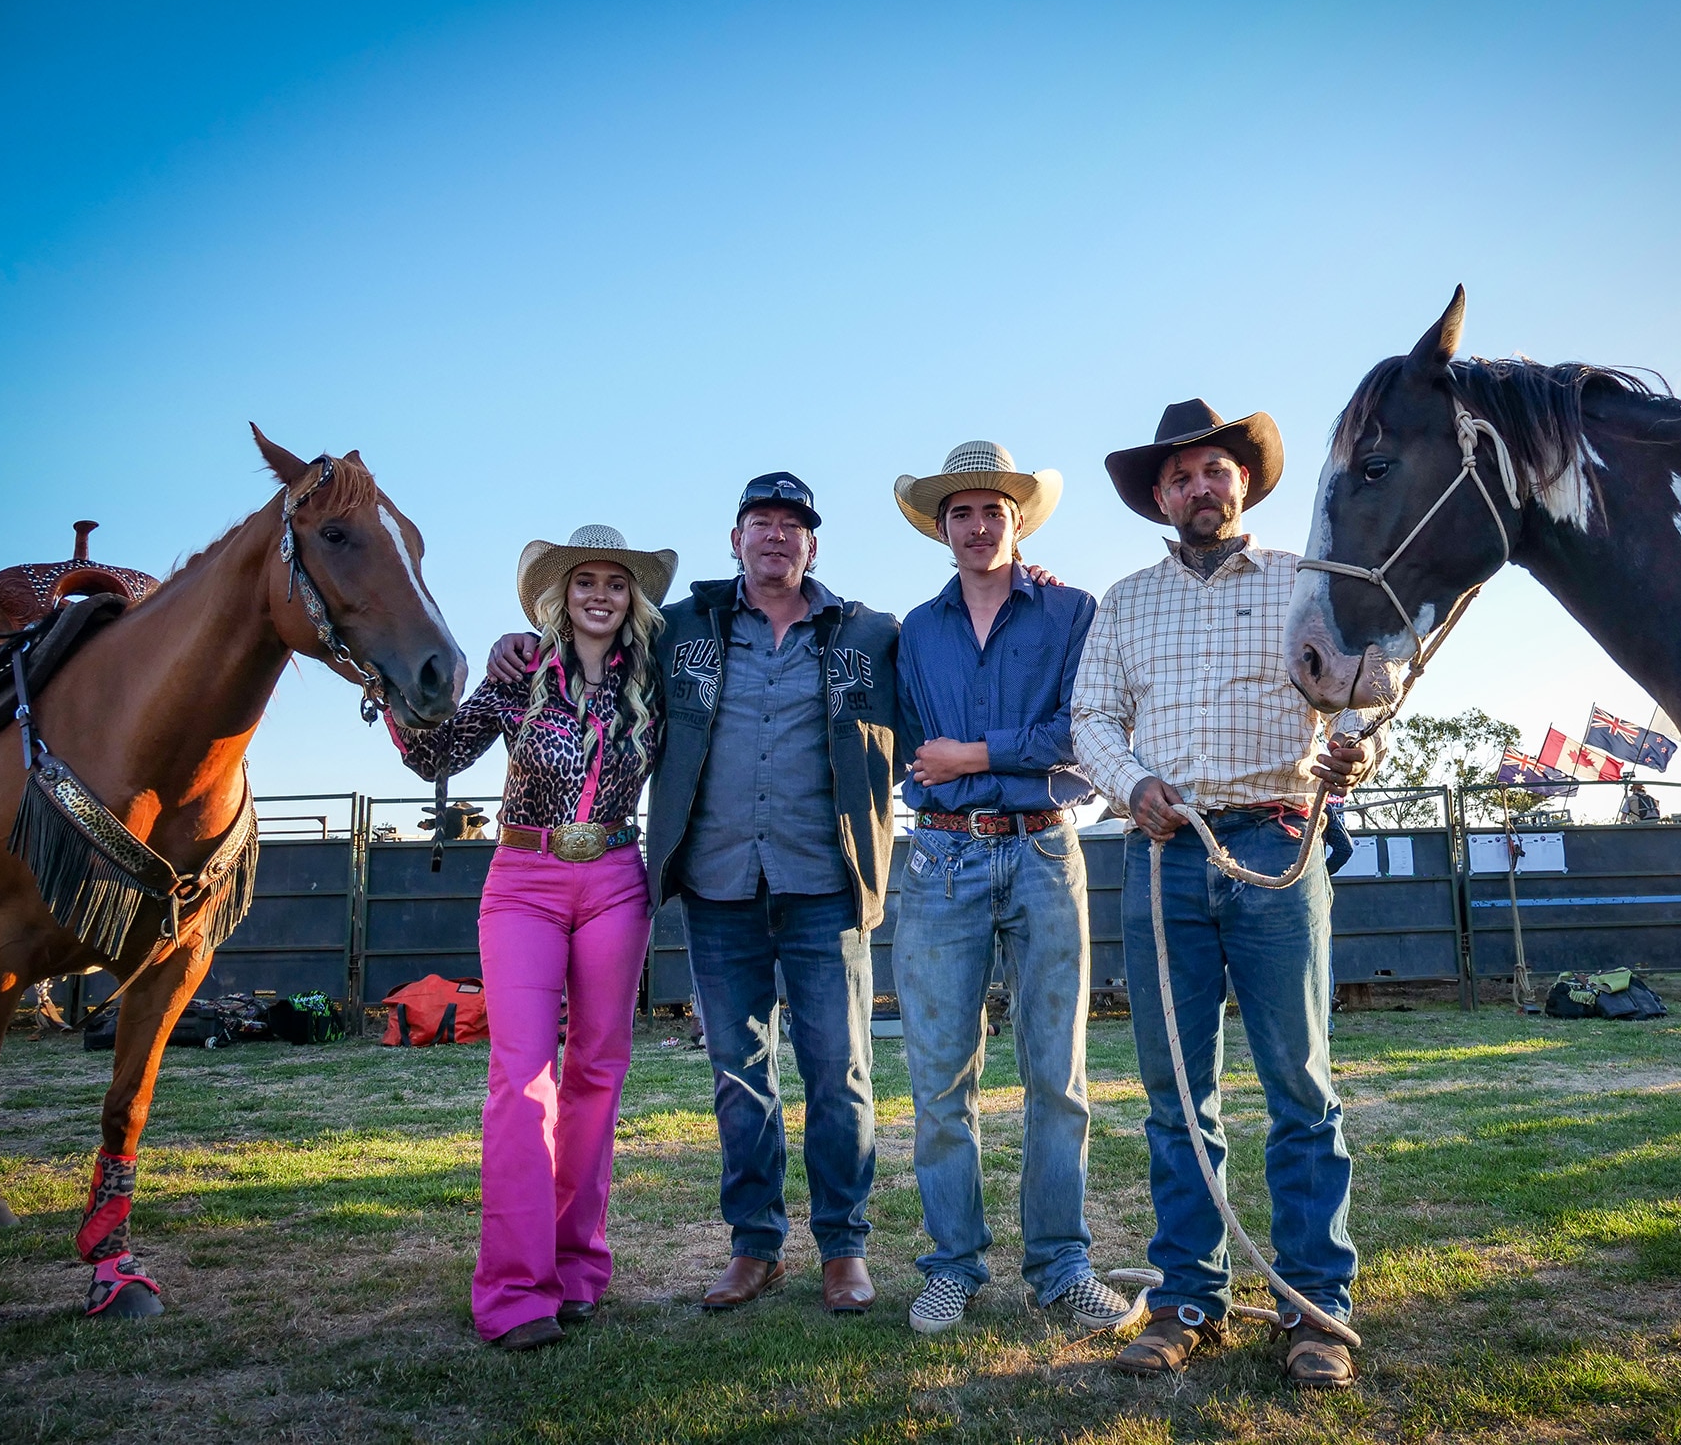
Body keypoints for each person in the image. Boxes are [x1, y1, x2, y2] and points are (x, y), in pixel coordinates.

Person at [486, 473, 900, 1317]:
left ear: (812, 545)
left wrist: (1023, 573)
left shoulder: (869, 633)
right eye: (760, 523)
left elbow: (934, 669)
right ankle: (755, 1248)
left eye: (793, 525)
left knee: (839, 1073)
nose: (776, 536)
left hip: (826, 885)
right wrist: (521, 643)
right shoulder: (682, 632)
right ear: (735, 540)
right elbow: (591, 648)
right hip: (718, 887)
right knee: (739, 1077)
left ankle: (843, 1250)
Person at [1071, 400, 1379, 1386]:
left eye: (1213, 471)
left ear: (1240, 481)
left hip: (1276, 847)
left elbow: (1362, 696)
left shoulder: (1305, 582)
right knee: (1174, 1097)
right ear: (1159, 497)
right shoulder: (1123, 602)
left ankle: (1314, 1310)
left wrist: (1357, 750)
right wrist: (1132, 785)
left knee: (1299, 1086)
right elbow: (1088, 718)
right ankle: (1187, 1301)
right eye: (1180, 477)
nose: (1198, 488)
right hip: (1162, 856)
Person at [391, 524, 674, 1351]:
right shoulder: (520, 676)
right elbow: (438, 751)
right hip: (525, 882)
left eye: (614, 583)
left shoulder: (654, 680)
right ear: (559, 595)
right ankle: (514, 1290)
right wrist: (396, 687)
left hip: (618, 880)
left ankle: (578, 1269)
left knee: (598, 1074)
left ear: (632, 600)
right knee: (522, 1077)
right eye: (583, 581)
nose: (599, 594)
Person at [888, 441, 1142, 1336]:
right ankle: (953, 1265)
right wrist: (950, 767)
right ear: (941, 527)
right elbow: (910, 748)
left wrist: (979, 754)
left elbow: (1085, 731)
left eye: (994, 507)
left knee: (1058, 1076)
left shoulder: (1075, 611)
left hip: (1042, 849)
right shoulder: (914, 631)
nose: (978, 523)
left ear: (1018, 518)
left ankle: (1061, 1267)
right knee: (938, 1081)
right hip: (942, 857)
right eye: (961, 511)